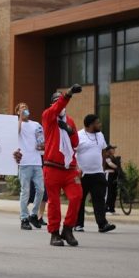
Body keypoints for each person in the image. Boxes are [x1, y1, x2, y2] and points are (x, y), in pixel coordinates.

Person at [42, 85, 83, 247]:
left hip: (69, 168)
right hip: (52, 168)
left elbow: (75, 144)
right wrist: (68, 94)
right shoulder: (48, 116)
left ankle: (68, 229)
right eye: (56, 102)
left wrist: (70, 131)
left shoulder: (69, 121)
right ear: (53, 104)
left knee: (76, 196)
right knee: (54, 202)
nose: (59, 105)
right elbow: (59, 105)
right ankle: (54, 233)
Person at [75, 115, 116, 233]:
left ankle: (102, 224)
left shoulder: (100, 135)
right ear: (90, 124)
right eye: (98, 123)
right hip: (82, 174)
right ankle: (78, 224)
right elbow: (72, 153)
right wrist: (76, 168)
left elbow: (103, 151)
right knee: (79, 200)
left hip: (98, 173)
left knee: (99, 199)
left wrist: (102, 169)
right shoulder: (79, 135)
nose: (100, 125)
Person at [15, 102, 45, 230]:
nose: (25, 110)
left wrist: (42, 145)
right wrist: (20, 118)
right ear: (17, 111)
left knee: (41, 190)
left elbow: (42, 140)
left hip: (36, 162)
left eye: (26, 108)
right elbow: (15, 132)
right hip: (24, 162)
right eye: (22, 108)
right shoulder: (16, 123)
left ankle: (33, 214)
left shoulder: (36, 124)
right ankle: (24, 218)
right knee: (25, 191)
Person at [104, 145, 119, 214]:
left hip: (114, 175)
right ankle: (105, 208)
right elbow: (110, 164)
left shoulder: (114, 157)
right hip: (108, 175)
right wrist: (117, 167)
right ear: (109, 150)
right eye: (112, 149)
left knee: (113, 192)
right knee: (108, 192)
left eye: (114, 149)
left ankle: (112, 209)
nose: (114, 150)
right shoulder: (106, 156)